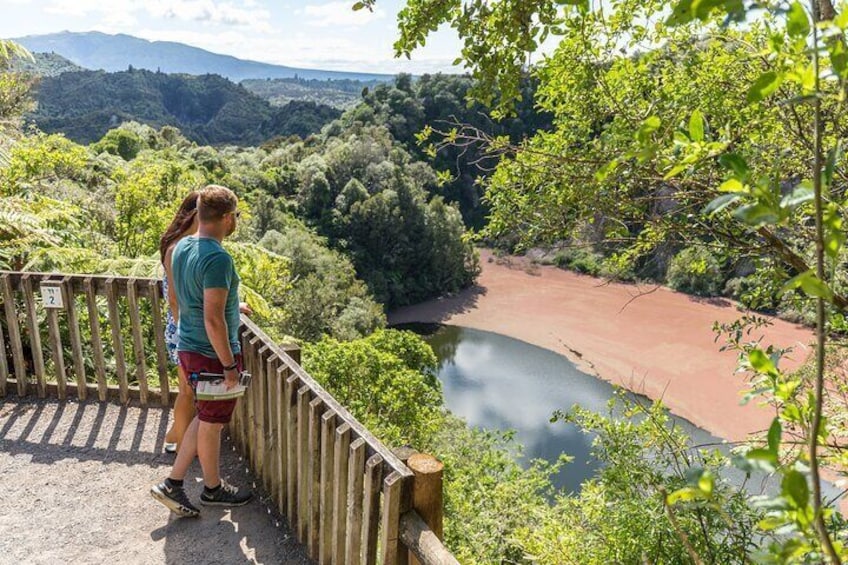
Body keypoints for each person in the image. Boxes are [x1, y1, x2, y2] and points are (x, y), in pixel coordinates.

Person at [151, 185, 252, 517]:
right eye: (235, 216)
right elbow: (213, 318)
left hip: (187, 347)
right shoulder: (218, 258)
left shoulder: (181, 248)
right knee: (212, 424)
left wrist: (234, 307)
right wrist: (228, 365)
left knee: (205, 417)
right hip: (211, 355)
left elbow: (188, 301)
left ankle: (177, 484)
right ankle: (207, 488)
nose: (235, 221)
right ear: (226, 218)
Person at [160, 191, 200, 454]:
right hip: (182, 330)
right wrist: (188, 333)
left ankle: (177, 438)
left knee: (189, 390)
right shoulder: (177, 247)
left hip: (183, 327)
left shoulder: (187, 243)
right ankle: (179, 441)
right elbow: (175, 300)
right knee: (187, 390)